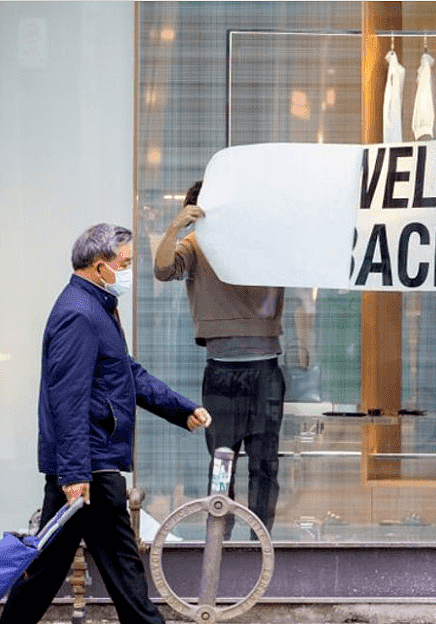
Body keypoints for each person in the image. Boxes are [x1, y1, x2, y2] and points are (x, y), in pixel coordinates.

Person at [0, 223, 212, 624]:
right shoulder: (79, 315)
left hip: (87, 466)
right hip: (90, 468)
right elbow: (68, 399)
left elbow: (125, 375)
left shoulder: (96, 308)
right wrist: (76, 474)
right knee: (121, 570)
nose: (130, 271)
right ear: (100, 267)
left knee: (51, 571)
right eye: (125, 263)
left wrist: (180, 409)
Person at [154, 181, 286, 536]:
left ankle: (261, 539)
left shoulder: (264, 242)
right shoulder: (197, 245)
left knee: (264, 462)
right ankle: (219, 538)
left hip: (263, 365)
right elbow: (163, 269)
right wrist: (175, 227)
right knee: (221, 463)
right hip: (224, 369)